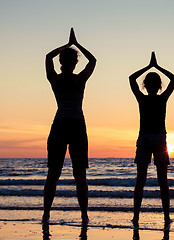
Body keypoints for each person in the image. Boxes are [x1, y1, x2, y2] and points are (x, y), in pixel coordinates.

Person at [42, 28, 96, 223]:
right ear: (74, 63)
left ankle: (46, 214)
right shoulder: (79, 79)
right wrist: (76, 44)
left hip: (60, 125)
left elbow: (48, 56)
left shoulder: (55, 79)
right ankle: (84, 215)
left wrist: (67, 45)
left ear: (61, 61)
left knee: (53, 173)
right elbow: (93, 61)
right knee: (79, 174)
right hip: (77, 126)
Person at [129, 52, 174, 227]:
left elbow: (131, 79)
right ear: (159, 86)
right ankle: (165, 217)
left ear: (146, 85)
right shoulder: (162, 98)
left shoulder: (142, 98)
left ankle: (136, 216)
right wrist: (156, 67)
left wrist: (149, 67)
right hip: (158, 138)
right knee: (162, 181)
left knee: (140, 180)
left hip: (145, 138)